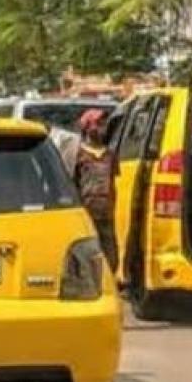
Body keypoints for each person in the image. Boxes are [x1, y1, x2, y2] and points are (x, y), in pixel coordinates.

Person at [73, 108, 117, 271]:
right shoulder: (79, 154)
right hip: (87, 211)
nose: (102, 129)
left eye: (103, 124)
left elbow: (113, 184)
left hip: (106, 213)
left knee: (111, 255)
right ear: (87, 127)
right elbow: (74, 183)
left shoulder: (110, 155)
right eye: (98, 124)